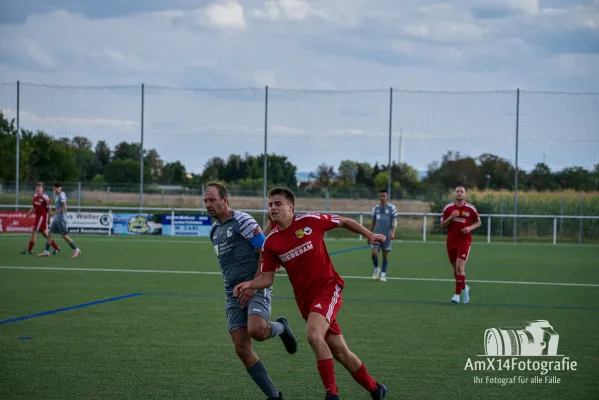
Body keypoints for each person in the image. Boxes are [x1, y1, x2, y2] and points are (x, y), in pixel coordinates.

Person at [234, 187, 388, 400]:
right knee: (341, 353)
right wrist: (250, 284)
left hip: (328, 287)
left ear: (291, 206)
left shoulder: (310, 221)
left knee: (313, 335)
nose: (273, 208)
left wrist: (369, 234)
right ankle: (376, 389)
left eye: (278, 203)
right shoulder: (271, 242)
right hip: (306, 301)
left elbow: (343, 221)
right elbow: (267, 277)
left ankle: (331, 396)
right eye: (270, 205)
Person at [204, 182, 297, 400]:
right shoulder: (214, 230)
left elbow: (264, 251)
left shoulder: (243, 220)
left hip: (256, 284)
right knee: (241, 348)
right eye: (205, 201)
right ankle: (274, 396)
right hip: (232, 293)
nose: (207, 204)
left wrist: (253, 284)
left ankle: (281, 327)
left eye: (212, 200)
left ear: (224, 200)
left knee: (257, 330)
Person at [440, 184, 481, 304]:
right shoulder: (448, 208)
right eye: (457, 191)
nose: (459, 193)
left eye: (461, 191)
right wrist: (451, 218)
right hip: (451, 241)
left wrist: (470, 228)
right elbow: (442, 225)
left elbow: (478, 222)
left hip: (465, 241)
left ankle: (456, 296)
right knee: (455, 270)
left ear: (465, 194)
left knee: (460, 267)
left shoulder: (470, 208)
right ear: (454, 193)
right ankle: (464, 288)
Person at [38, 182, 81, 258]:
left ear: (60, 188)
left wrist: (54, 213)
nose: (56, 189)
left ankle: (76, 250)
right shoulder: (57, 195)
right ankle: (46, 252)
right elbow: (61, 207)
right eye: (55, 188)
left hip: (61, 219)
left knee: (64, 236)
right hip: (56, 219)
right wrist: (54, 213)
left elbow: (64, 207)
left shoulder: (62, 195)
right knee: (50, 234)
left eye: (58, 188)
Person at [21, 182, 59, 255]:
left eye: (40, 187)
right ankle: (56, 247)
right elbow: (34, 207)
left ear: (42, 189)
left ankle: (29, 250)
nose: (38, 188)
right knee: (44, 234)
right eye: (37, 187)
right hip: (37, 216)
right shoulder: (35, 196)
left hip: (42, 217)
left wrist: (48, 219)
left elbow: (49, 210)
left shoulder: (45, 197)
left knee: (34, 231)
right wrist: (29, 213)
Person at [369, 189, 398, 282]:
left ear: (387, 197)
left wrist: (393, 233)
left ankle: (383, 274)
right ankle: (377, 269)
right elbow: (373, 222)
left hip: (387, 235)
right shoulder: (375, 208)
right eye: (380, 196)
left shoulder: (392, 208)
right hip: (376, 235)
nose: (382, 198)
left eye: (384, 196)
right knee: (374, 253)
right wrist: (369, 234)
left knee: (385, 256)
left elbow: (394, 222)